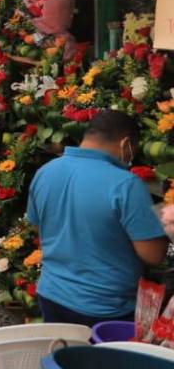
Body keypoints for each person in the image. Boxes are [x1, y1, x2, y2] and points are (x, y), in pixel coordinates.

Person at [27, 110, 168, 326]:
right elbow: (153, 254)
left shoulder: (45, 172)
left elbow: (38, 227)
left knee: (63, 348)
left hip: (52, 294)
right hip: (105, 307)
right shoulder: (126, 184)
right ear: (126, 143)